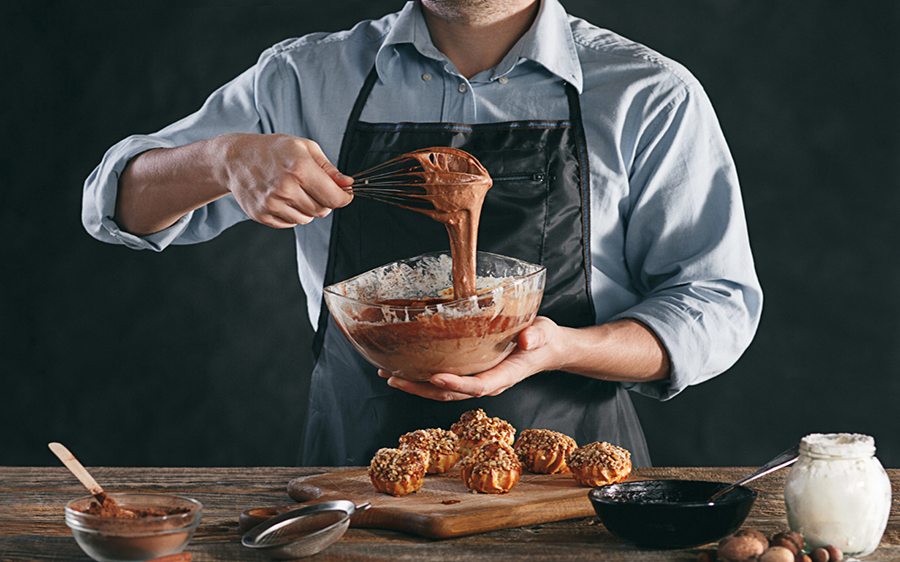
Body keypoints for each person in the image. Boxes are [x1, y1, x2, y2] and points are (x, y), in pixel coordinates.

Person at [82, 0, 762, 468]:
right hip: (357, 480)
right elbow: (116, 205)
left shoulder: (647, 93)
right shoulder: (304, 77)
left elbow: (717, 303)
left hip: (568, 486)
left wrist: (559, 346)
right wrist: (221, 158)